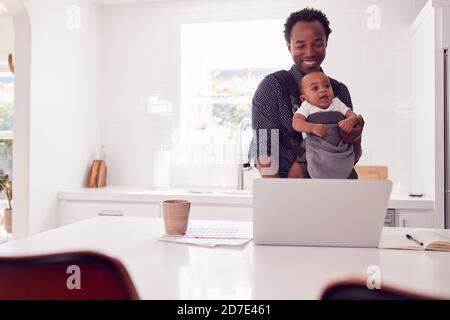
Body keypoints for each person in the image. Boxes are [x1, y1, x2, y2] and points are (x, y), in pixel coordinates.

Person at [249, 8, 364, 178]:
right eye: (300, 45)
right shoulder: (272, 86)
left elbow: (352, 155)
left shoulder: (339, 91)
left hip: (335, 186)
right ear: (289, 46)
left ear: (326, 44)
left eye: (317, 44)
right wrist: (278, 194)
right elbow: (265, 148)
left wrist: (355, 137)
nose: (309, 52)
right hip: (287, 186)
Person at [290, 71, 359, 179]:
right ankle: (291, 193)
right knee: (295, 171)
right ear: (304, 98)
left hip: (338, 148)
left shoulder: (337, 103)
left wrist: (349, 121)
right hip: (314, 146)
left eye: (327, 86)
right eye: (315, 88)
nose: (323, 90)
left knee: (349, 172)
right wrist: (312, 127)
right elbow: (296, 123)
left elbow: (354, 116)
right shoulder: (307, 106)